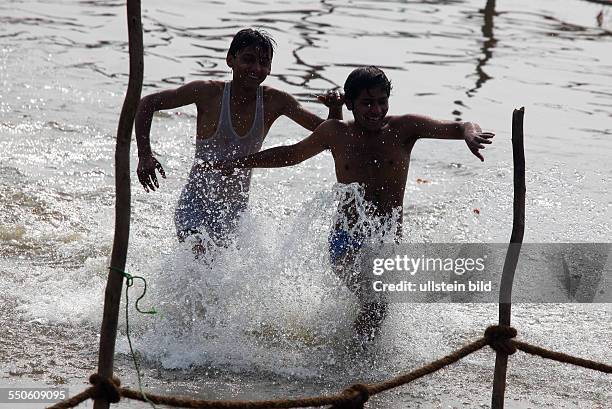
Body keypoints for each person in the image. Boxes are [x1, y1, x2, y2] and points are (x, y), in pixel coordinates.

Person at [217, 66, 494, 342]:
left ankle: (352, 356)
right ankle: (354, 367)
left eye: (381, 101)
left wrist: (470, 134)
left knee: (376, 307)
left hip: (388, 241)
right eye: (367, 103)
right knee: (376, 304)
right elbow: (292, 154)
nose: (375, 110)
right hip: (345, 239)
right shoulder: (335, 132)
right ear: (349, 104)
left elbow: (460, 126)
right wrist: (242, 163)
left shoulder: (405, 128)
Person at [134, 28, 343, 252]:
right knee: (200, 256)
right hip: (194, 205)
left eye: (263, 62)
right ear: (230, 60)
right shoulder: (207, 93)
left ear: (270, 68)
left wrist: (335, 108)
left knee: (219, 275)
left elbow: (330, 136)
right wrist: (145, 154)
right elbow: (147, 103)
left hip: (234, 213)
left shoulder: (275, 101)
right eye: (248, 60)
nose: (255, 69)